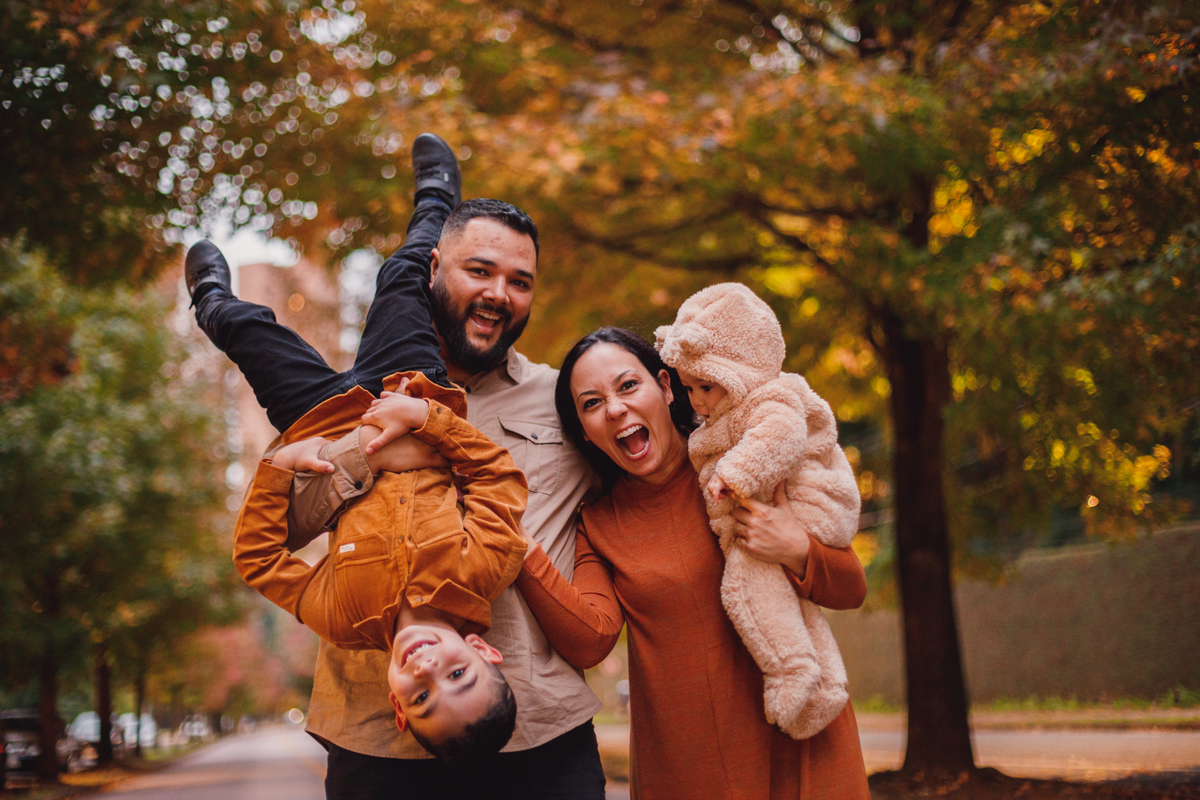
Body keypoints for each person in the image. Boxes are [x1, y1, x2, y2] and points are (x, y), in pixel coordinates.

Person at [184, 135, 528, 761]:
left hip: (317, 418)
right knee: (402, 275)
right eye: (457, 676)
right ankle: (436, 201)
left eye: (421, 697)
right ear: (482, 650)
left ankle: (210, 302)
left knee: (247, 330)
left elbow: (260, 559)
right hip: (402, 391)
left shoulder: (342, 619)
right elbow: (498, 478)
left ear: (395, 702)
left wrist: (275, 467)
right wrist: (427, 417)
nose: (428, 671)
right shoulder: (482, 572)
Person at [260, 195, 607, 792]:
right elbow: (281, 528)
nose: (500, 293)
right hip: (378, 741)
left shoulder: (567, 397)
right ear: (433, 269)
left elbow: (654, 465)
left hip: (543, 737)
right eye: (480, 271)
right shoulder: (351, 400)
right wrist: (364, 452)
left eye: (519, 281)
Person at [514, 327, 872, 799]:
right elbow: (590, 640)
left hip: (800, 741)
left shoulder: (745, 461)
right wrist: (518, 546)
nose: (616, 408)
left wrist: (795, 548)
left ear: (665, 387)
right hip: (686, 768)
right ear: (584, 430)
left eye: (627, 386)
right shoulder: (600, 523)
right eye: (592, 403)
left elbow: (851, 589)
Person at [654, 282, 861, 740]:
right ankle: (825, 685)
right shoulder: (730, 412)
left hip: (806, 506)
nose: (698, 401)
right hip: (781, 512)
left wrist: (737, 476)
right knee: (788, 604)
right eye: (690, 388)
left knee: (744, 584)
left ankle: (790, 669)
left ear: (741, 369)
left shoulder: (768, 400)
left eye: (706, 386)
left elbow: (779, 437)